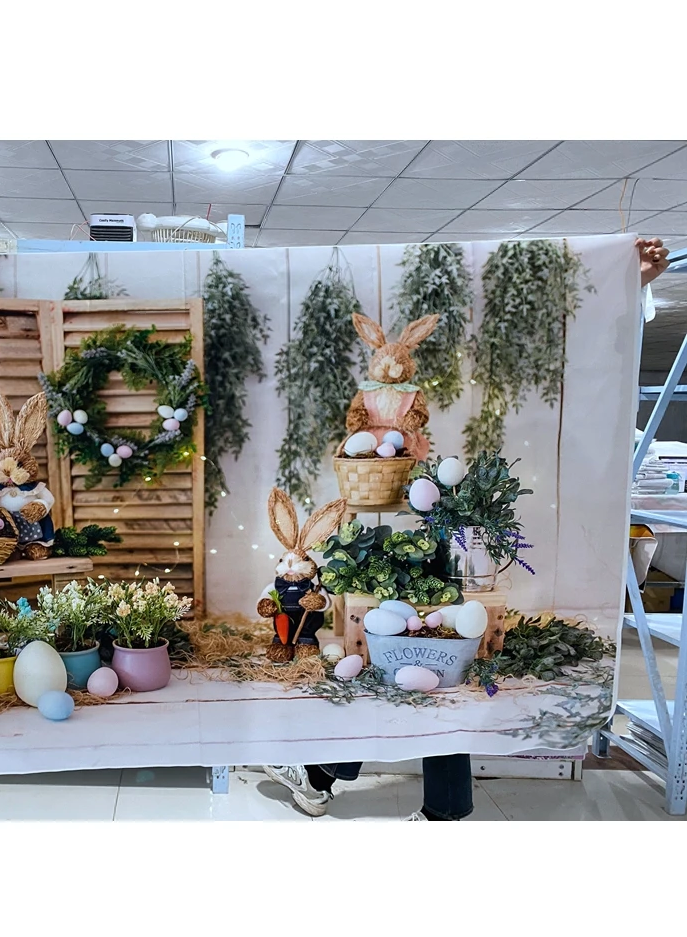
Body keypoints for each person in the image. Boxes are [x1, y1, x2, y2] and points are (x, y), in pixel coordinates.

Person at [266, 235, 671, 820]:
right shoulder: (372, 407)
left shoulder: (496, 337)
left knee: (428, 666)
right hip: (406, 514)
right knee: (393, 660)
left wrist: (626, 280)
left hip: (448, 520)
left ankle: (418, 803)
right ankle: (329, 777)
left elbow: (578, 339)